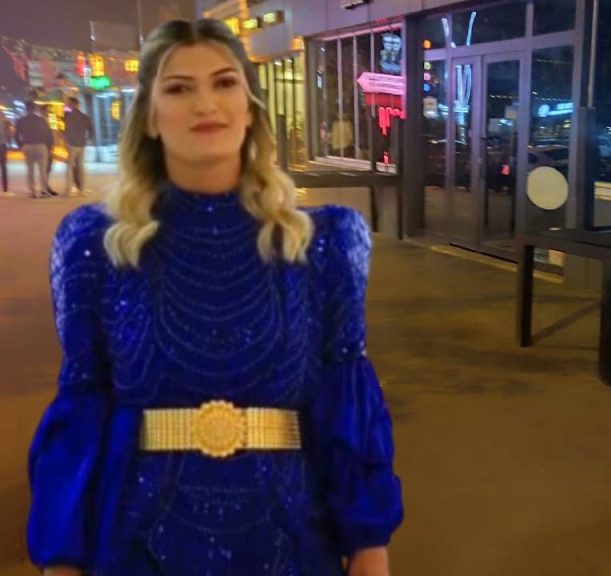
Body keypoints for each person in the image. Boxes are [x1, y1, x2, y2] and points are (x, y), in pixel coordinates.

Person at [27, 19, 403, 576]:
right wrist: (62, 557)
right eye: (179, 88)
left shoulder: (322, 242)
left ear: (250, 108)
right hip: (137, 540)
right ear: (150, 116)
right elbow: (84, 403)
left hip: (291, 540)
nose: (206, 103)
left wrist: (369, 544)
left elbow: (342, 399)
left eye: (225, 83)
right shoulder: (96, 244)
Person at [15, 101, 54, 198]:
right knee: (42, 170)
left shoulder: (21, 121)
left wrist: (21, 146)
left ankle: (32, 191)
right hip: (41, 146)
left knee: (30, 170)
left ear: (26, 109)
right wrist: (49, 147)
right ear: (35, 109)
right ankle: (43, 191)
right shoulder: (42, 120)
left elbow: (16, 135)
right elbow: (49, 135)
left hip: (28, 146)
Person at [63, 96, 94, 197]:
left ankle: (68, 190)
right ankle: (82, 189)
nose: (67, 105)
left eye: (69, 103)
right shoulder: (84, 117)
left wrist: (66, 141)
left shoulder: (68, 116)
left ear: (73, 104)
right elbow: (91, 130)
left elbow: (66, 130)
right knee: (81, 167)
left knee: (69, 167)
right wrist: (87, 140)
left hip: (72, 144)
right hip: (82, 144)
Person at [0, 113, 12, 197]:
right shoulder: (6, 122)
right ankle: (5, 189)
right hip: (2, 146)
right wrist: (9, 143)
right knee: (3, 167)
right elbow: (9, 134)